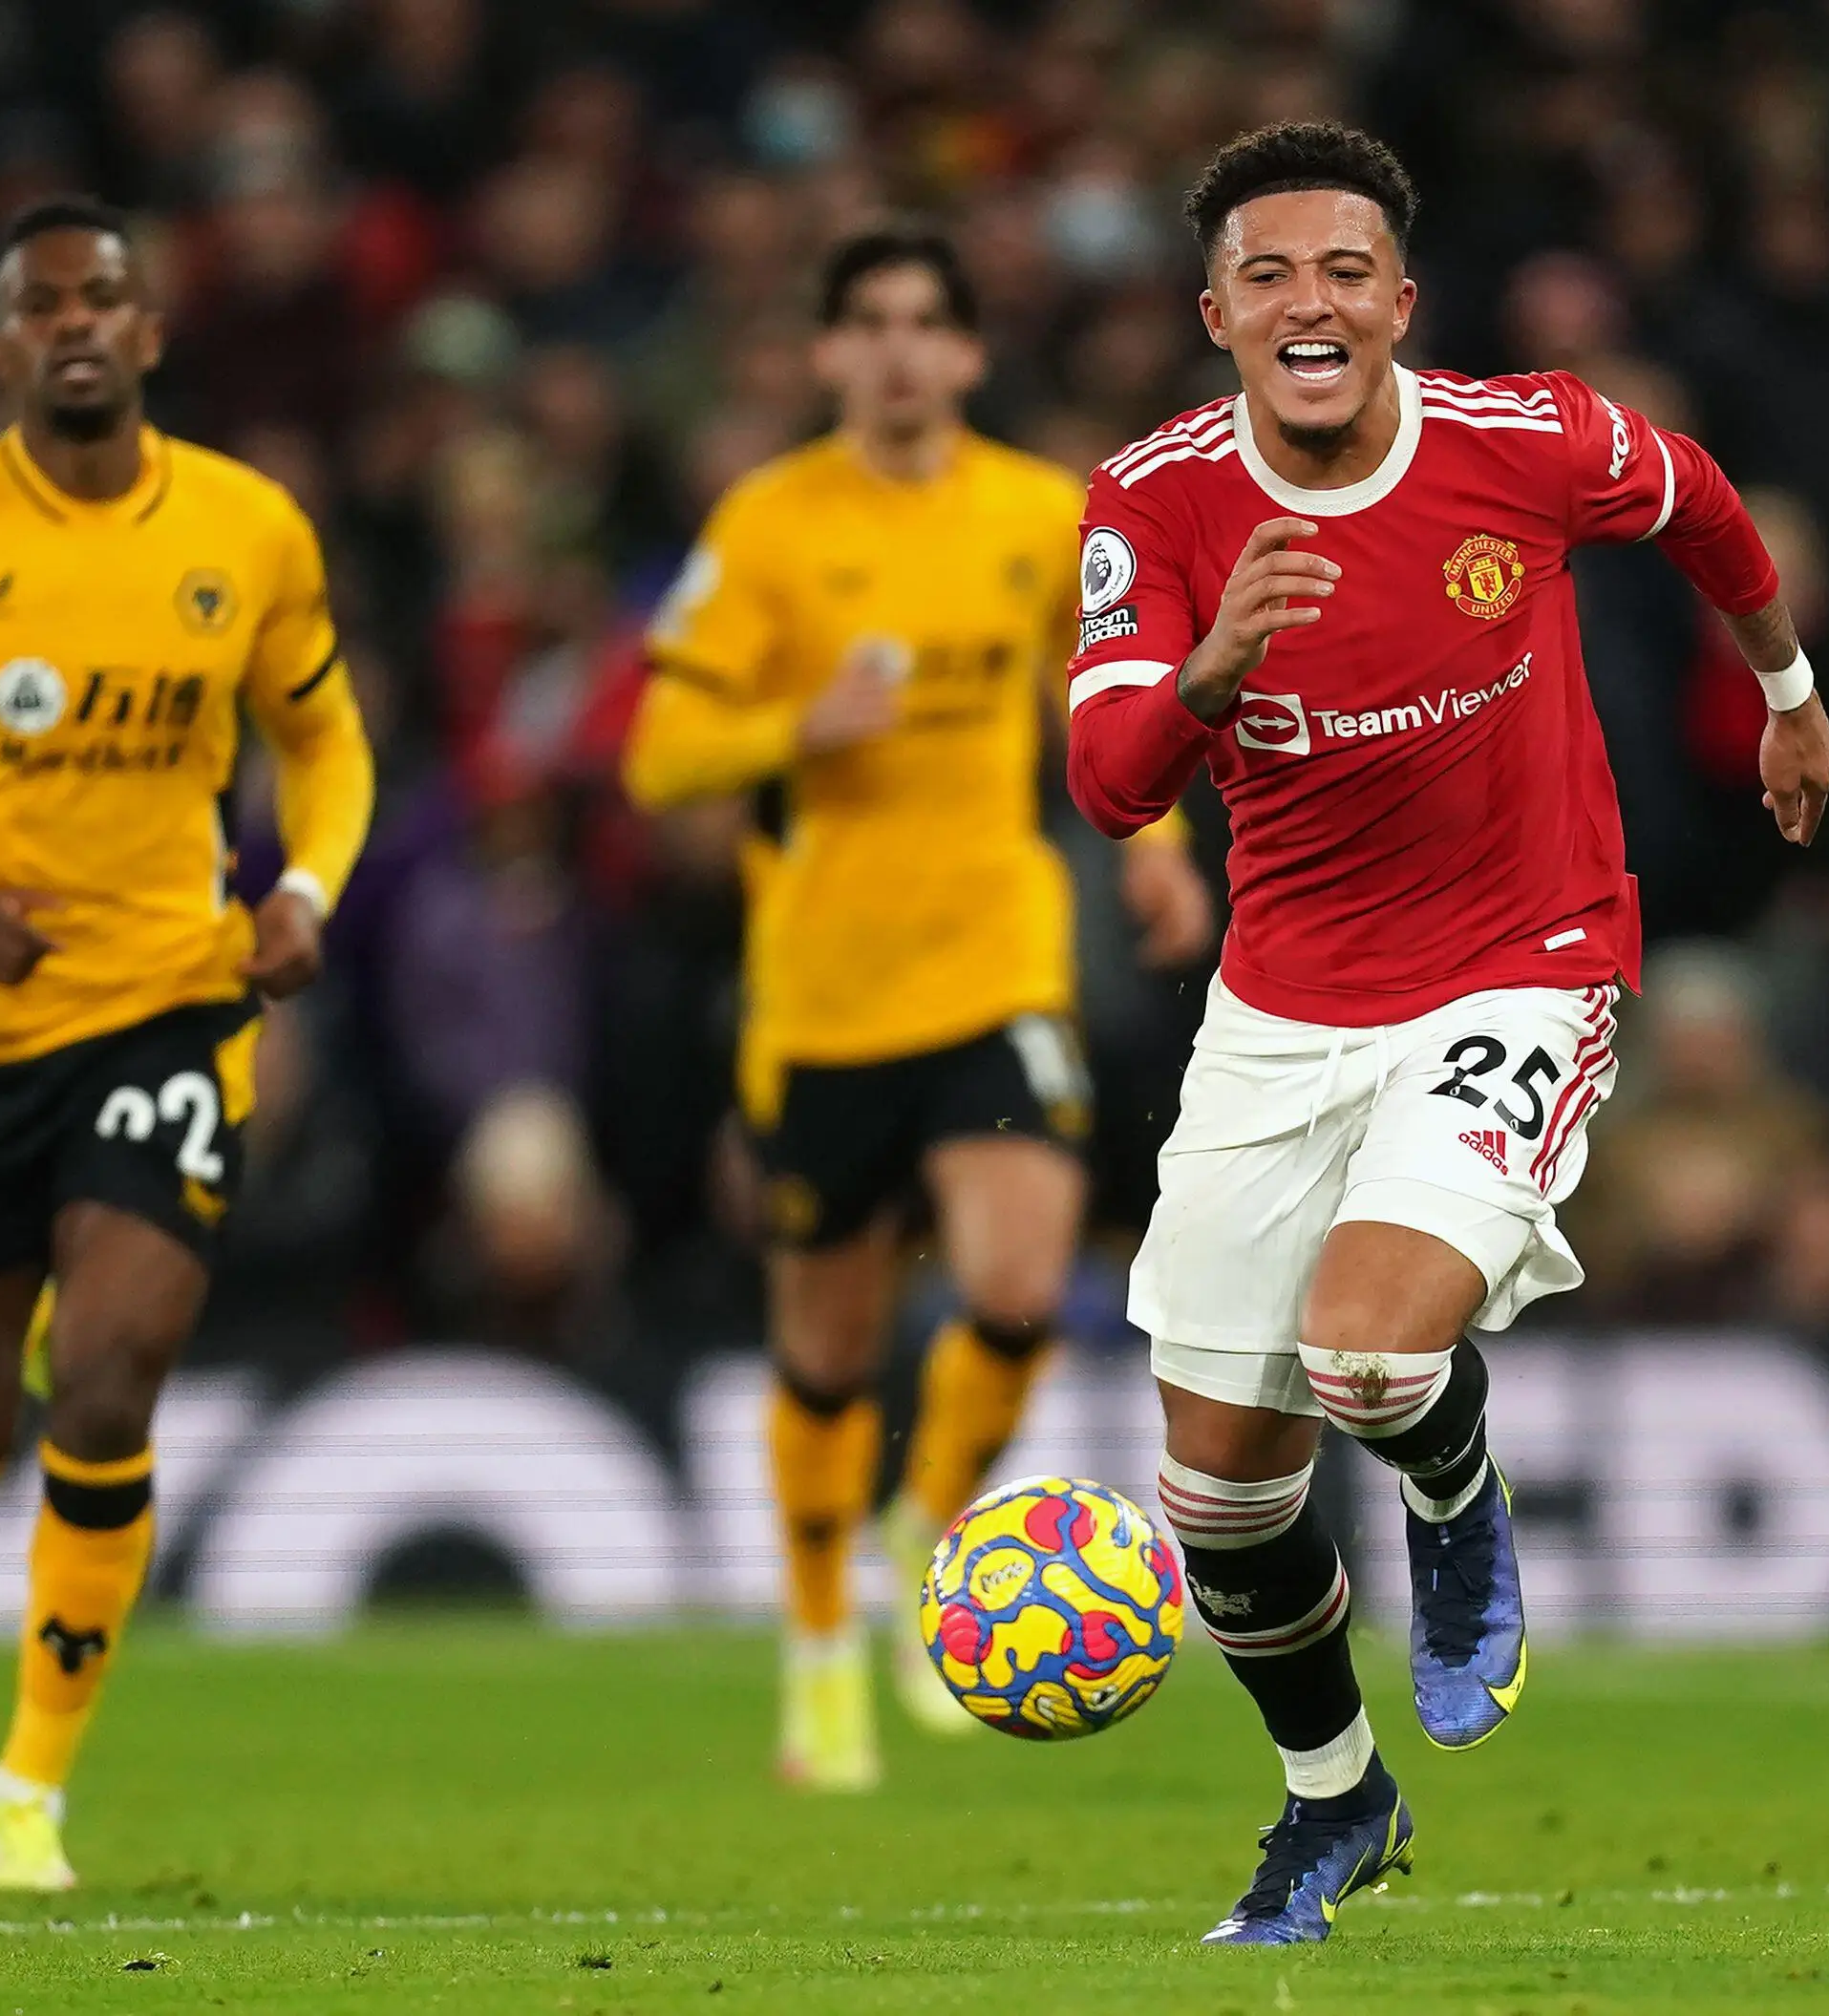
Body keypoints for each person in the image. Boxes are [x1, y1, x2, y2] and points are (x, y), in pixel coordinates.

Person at [1064, 124, 1829, 1944]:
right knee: (1215, 1491)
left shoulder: (1529, 442)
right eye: (1267, 275)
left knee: (1368, 1362)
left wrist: (1787, 694)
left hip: (1519, 955)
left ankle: (1455, 1490)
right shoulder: (1149, 504)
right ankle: (1334, 1805)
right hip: (1278, 1002)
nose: (1306, 302)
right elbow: (1107, 783)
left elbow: (1707, 505)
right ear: (1215, 316)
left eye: (1342, 271)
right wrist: (1210, 668)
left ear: (1399, 305)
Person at [0, 197, 374, 1891]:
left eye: (102, 296)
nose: (74, 322)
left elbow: (325, 746)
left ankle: (27, 1785)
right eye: (40, 304)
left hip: (170, 1000)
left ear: (149, 333)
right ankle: (33, 1313)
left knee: (110, 1367)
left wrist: (310, 885)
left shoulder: (249, 528)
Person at [623, 226, 1213, 1790]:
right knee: (822, 1352)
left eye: (923, 325)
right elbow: (656, 752)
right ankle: (819, 1643)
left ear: (965, 353)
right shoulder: (766, 526)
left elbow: (1094, 707)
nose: (894, 352)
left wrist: (1153, 849)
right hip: (819, 992)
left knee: (1017, 1282)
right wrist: (788, 721)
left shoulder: (1040, 513)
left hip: (993, 962)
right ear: (826, 355)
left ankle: (930, 1529)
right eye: (865, 323)